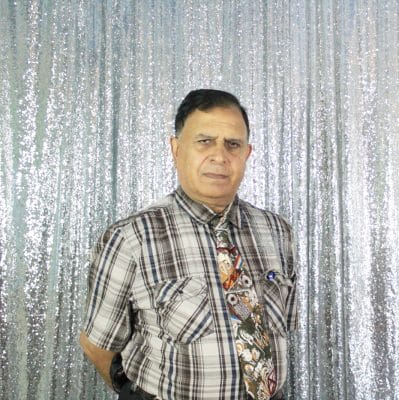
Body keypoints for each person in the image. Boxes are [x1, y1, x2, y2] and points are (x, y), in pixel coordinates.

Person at [79, 89, 298, 400]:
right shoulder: (131, 238)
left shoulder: (278, 232)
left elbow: (282, 330)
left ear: (247, 154)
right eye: (204, 141)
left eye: (232, 144)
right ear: (176, 149)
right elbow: (97, 346)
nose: (220, 156)